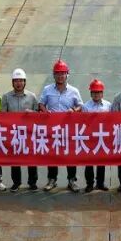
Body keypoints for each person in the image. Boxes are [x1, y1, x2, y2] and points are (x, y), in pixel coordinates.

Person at [39, 59, 83, 192]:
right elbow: (41, 103)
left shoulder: (74, 91)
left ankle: (72, 180)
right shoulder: (47, 90)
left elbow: (81, 106)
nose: (60, 76)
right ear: (54, 75)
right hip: (52, 128)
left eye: (62, 73)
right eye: (57, 73)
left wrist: (74, 110)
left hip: (68, 129)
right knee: (52, 154)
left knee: (70, 155)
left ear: (67, 74)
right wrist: (45, 111)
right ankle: (52, 180)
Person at [3, 68, 40, 192]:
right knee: (15, 159)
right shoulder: (6, 97)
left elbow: (39, 114)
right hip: (13, 132)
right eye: (16, 81)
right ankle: (16, 182)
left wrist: (32, 113)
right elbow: (2, 115)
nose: (18, 83)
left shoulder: (32, 96)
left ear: (25, 82)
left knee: (31, 158)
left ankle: (32, 182)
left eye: (21, 80)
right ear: (12, 82)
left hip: (28, 133)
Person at [82, 79, 111, 192]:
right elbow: (83, 123)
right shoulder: (86, 107)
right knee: (89, 162)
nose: (96, 94)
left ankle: (100, 183)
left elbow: (111, 121)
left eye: (98, 92)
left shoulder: (108, 106)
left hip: (102, 137)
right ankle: (89, 184)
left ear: (102, 93)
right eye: (94, 92)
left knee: (101, 162)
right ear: (91, 93)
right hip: (90, 138)